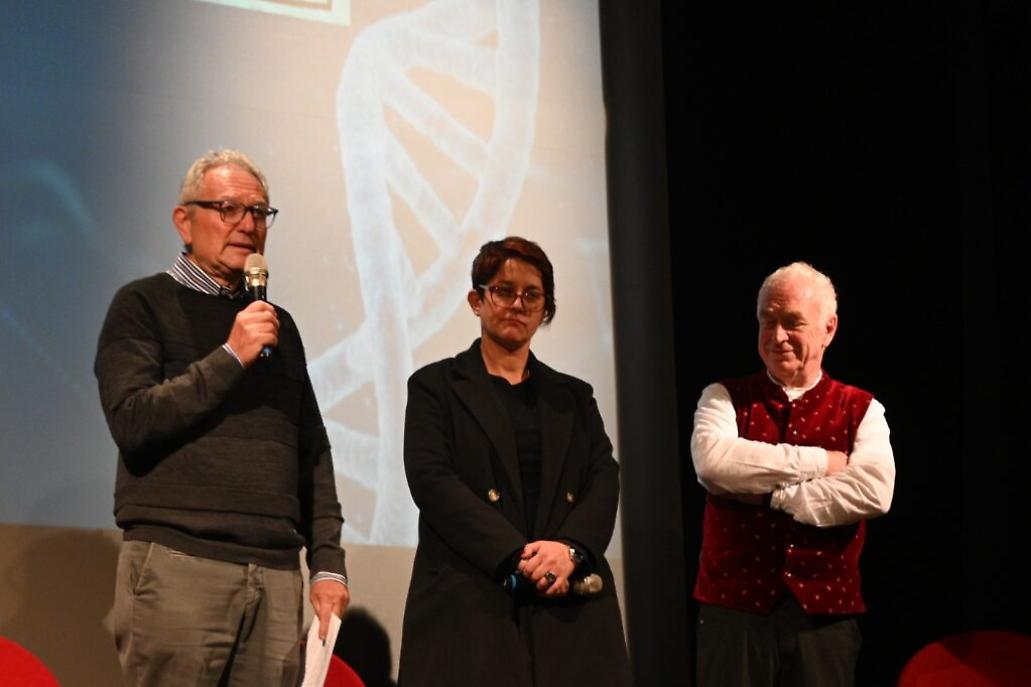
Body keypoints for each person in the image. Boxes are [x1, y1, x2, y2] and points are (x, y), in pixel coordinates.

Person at [95, 149, 350, 686]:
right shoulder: (141, 305)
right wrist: (229, 357)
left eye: (260, 213)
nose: (247, 225)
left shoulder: (280, 326)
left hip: (277, 576)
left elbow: (312, 452)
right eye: (228, 208)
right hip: (178, 563)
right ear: (183, 221)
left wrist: (326, 563)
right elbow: (133, 421)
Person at [398, 237, 633, 686]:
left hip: (569, 599)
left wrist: (570, 549)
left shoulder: (575, 397)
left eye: (532, 295)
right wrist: (515, 555)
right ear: (477, 300)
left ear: (546, 308)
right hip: (472, 600)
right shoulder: (435, 387)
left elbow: (604, 478)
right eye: (504, 290)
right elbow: (432, 480)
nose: (517, 304)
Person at [690, 261, 896, 686]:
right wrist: (822, 463)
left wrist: (773, 496)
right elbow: (714, 464)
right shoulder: (724, 397)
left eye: (792, 322)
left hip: (824, 619)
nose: (777, 336)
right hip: (734, 615)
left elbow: (874, 492)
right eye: (768, 321)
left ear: (829, 329)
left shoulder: (862, 409)